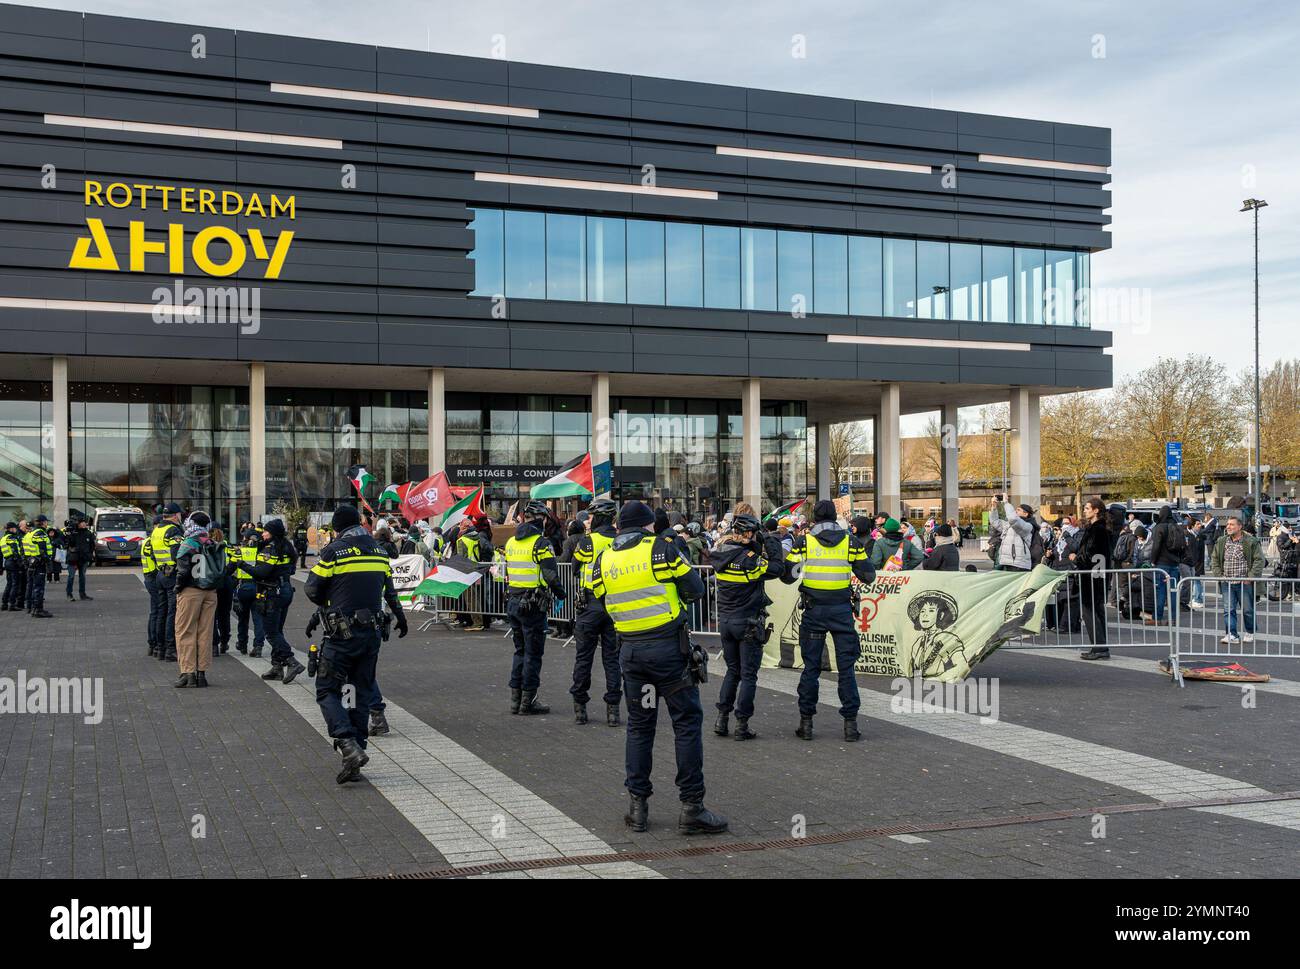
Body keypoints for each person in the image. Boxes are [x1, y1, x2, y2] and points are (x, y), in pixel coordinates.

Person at [590, 500, 726, 835]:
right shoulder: (661, 550)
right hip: (668, 652)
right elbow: (695, 589)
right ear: (649, 524)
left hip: (632, 654)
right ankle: (692, 807)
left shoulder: (604, 558)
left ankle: (638, 808)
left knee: (640, 727)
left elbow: (598, 596)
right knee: (686, 723)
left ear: (621, 526)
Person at [306, 503, 409, 784]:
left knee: (328, 690)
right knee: (358, 691)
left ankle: (347, 742)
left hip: (341, 636)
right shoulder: (379, 550)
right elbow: (389, 590)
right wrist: (400, 617)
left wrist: (331, 600)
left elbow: (312, 588)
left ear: (337, 527)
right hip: (371, 634)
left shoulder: (334, 551)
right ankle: (356, 756)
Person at [782, 499, 876, 742]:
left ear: (814, 519)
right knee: (846, 669)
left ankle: (806, 724)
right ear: (835, 518)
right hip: (841, 613)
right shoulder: (850, 542)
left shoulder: (805, 542)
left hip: (814, 613)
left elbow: (788, 577)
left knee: (811, 669)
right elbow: (868, 575)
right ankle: (850, 726)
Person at [709, 511, 783, 740]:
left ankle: (722, 719)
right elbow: (777, 568)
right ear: (748, 533)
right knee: (749, 675)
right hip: (748, 622)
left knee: (733, 671)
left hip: (726, 621)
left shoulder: (720, 553)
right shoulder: (750, 560)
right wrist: (769, 539)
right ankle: (742, 724)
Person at [504, 500, 567, 716]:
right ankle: (528, 701)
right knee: (533, 653)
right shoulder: (541, 543)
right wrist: (561, 594)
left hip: (513, 602)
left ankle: (515, 700)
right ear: (541, 520)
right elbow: (550, 574)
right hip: (532, 605)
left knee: (520, 650)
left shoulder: (511, 541)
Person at [569, 498, 620, 726]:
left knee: (584, 658)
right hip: (614, 606)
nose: (588, 520)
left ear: (598, 517)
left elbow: (574, 566)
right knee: (612, 659)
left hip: (590, 604)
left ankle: (580, 708)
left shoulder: (588, 541)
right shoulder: (620, 541)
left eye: (591, 516)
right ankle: (613, 711)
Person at [173, 512, 224, 688]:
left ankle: (188, 673)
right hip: (211, 592)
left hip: (191, 591)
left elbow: (183, 570)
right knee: (205, 632)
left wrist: (178, 587)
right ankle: (202, 673)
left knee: (185, 631)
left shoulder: (187, 543)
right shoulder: (212, 543)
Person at [252, 519, 306, 684]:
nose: (263, 533)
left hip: (272, 592)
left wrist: (241, 564)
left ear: (272, 532)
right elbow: (290, 569)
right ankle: (276, 667)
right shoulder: (287, 547)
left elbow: (261, 572)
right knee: (278, 629)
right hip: (286, 590)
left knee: (271, 632)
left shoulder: (270, 548)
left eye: (266, 531)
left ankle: (291, 661)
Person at [1210, 515, 1264, 645]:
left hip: (1244, 583)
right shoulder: (1222, 541)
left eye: (1232, 524)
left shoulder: (1251, 541)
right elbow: (1215, 559)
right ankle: (1232, 634)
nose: (1228, 527)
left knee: (1247, 610)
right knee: (1229, 610)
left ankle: (1250, 632)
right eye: (1228, 524)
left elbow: (1259, 560)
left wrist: (1250, 577)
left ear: (1240, 527)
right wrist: (1219, 576)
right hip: (1226, 582)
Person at [1073, 497, 1113, 660]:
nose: (1085, 510)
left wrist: (1075, 558)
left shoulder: (1097, 530)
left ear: (1096, 510)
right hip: (1097, 575)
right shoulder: (1101, 529)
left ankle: (1099, 647)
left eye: (1088, 508)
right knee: (1097, 611)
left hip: (1092, 576)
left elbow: (1092, 555)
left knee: (1090, 612)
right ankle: (1100, 646)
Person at [149, 503, 185, 661]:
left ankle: (159, 648)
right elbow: (177, 554)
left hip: (160, 574)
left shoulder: (157, 530)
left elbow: (151, 553)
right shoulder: (173, 530)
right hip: (171, 575)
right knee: (172, 612)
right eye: (180, 515)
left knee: (161, 612)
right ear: (176, 515)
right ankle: (171, 649)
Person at [1146, 505, 1185, 627]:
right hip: (1175, 564)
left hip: (1162, 564)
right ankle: (1173, 619)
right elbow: (1183, 545)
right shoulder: (1178, 527)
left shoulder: (1159, 527)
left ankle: (1157, 617)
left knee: (1160, 591)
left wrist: (1153, 561)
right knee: (1173, 592)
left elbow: (1156, 546)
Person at [232, 526, 265, 655]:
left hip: (243, 588)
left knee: (242, 618)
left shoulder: (239, 552)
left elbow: (231, 570)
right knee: (258, 619)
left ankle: (242, 644)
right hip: (258, 588)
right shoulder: (261, 552)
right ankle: (258, 646)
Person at [989, 498, 1037, 571]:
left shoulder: (1028, 526)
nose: (1015, 511)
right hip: (1007, 562)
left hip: (1018, 564)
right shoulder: (1009, 525)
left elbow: (1013, 519)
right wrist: (994, 507)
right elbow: (995, 521)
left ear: (1025, 513)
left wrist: (1006, 502)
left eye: (1018, 510)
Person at [209, 524, 234, 655]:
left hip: (213, 582)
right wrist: (227, 572)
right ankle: (224, 641)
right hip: (226, 581)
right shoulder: (227, 545)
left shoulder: (208, 546)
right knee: (225, 614)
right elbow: (234, 560)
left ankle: (214, 645)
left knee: (212, 615)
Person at [22, 515, 54, 618]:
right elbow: (42, 550)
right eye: (45, 522)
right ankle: (38, 610)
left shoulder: (30, 533)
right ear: (42, 522)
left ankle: (33, 608)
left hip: (32, 563)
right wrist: (47, 561)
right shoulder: (40, 533)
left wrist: (27, 562)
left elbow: (25, 551)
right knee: (39, 588)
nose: (46, 523)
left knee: (33, 586)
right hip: (39, 563)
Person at [64, 517, 94, 601]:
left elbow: (92, 545)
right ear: (78, 524)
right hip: (73, 558)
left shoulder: (88, 533)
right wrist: (70, 534)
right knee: (71, 576)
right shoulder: (73, 533)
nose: (84, 524)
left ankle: (82, 594)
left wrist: (90, 555)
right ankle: (69, 594)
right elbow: (70, 544)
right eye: (81, 522)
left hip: (84, 558)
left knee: (82, 577)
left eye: (84, 522)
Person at [1, 521, 24, 611]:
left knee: (9, 584)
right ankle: (12, 604)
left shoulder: (3, 538)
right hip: (13, 563)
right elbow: (15, 551)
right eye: (15, 528)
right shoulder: (11, 538)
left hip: (7, 562)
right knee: (15, 584)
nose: (16, 530)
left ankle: (4, 603)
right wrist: (19, 562)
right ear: (11, 529)